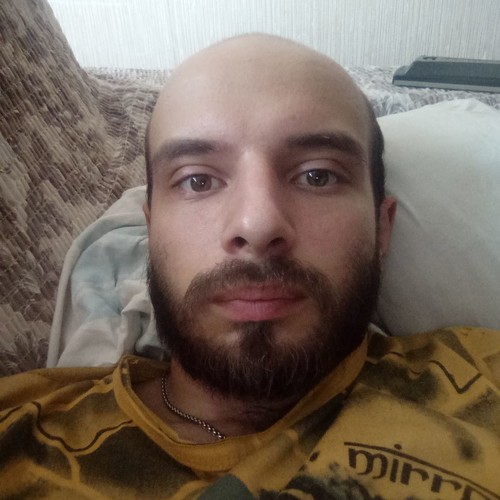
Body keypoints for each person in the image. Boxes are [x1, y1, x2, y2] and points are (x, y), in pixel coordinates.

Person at [0, 34, 499, 499]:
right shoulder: (18, 437)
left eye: (317, 176)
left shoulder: (485, 378)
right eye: (198, 180)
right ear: (151, 234)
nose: (257, 224)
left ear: (382, 228)